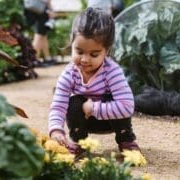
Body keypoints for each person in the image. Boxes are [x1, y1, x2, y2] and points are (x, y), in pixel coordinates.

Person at [48, 7, 140, 154]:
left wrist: (94, 108)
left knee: (114, 99)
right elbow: (58, 105)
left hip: (111, 120)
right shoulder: (69, 73)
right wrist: (56, 130)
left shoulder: (112, 71)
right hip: (84, 122)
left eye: (94, 54)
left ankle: (126, 140)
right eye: (79, 52)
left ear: (107, 51)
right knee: (73, 102)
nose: (85, 59)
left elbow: (127, 106)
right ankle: (80, 142)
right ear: (72, 44)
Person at [24, 0, 57, 67]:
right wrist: (50, 9)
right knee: (39, 34)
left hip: (32, 7)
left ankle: (47, 58)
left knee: (43, 34)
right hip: (41, 8)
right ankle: (34, 59)